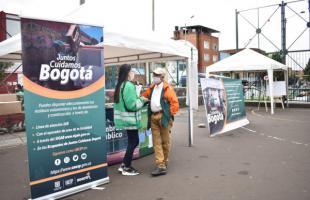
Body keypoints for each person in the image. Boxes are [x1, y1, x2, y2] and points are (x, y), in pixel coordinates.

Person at [142, 68, 179, 176]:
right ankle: (161, 164)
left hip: (163, 117)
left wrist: (168, 114)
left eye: (157, 75)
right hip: (153, 117)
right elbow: (144, 96)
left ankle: (164, 161)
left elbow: (175, 104)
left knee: (165, 142)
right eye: (153, 74)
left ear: (162, 77)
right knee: (156, 142)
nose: (154, 76)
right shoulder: (152, 87)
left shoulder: (168, 88)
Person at [113, 64, 149, 176]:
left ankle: (124, 164)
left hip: (125, 119)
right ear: (128, 72)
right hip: (130, 120)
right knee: (134, 141)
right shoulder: (128, 85)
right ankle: (126, 167)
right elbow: (132, 105)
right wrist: (143, 100)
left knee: (131, 141)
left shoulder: (120, 85)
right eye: (132, 71)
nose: (133, 73)